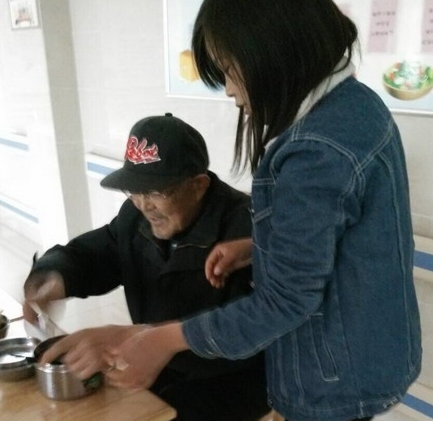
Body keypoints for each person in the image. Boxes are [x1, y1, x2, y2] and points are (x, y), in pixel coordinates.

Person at [68, 1, 422, 421]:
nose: (230, 91)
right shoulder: (357, 106)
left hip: (334, 376)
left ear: (273, 51)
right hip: (371, 348)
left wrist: (163, 340)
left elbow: (283, 302)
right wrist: (259, 246)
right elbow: (342, 226)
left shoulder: (315, 152)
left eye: (229, 70)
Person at [24, 112, 270, 421]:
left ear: (198, 185)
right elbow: (97, 252)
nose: (144, 204)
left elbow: (250, 325)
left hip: (232, 377)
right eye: (135, 190)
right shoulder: (134, 216)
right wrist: (53, 275)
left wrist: (142, 337)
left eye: (156, 192)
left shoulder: (247, 228)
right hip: (160, 362)